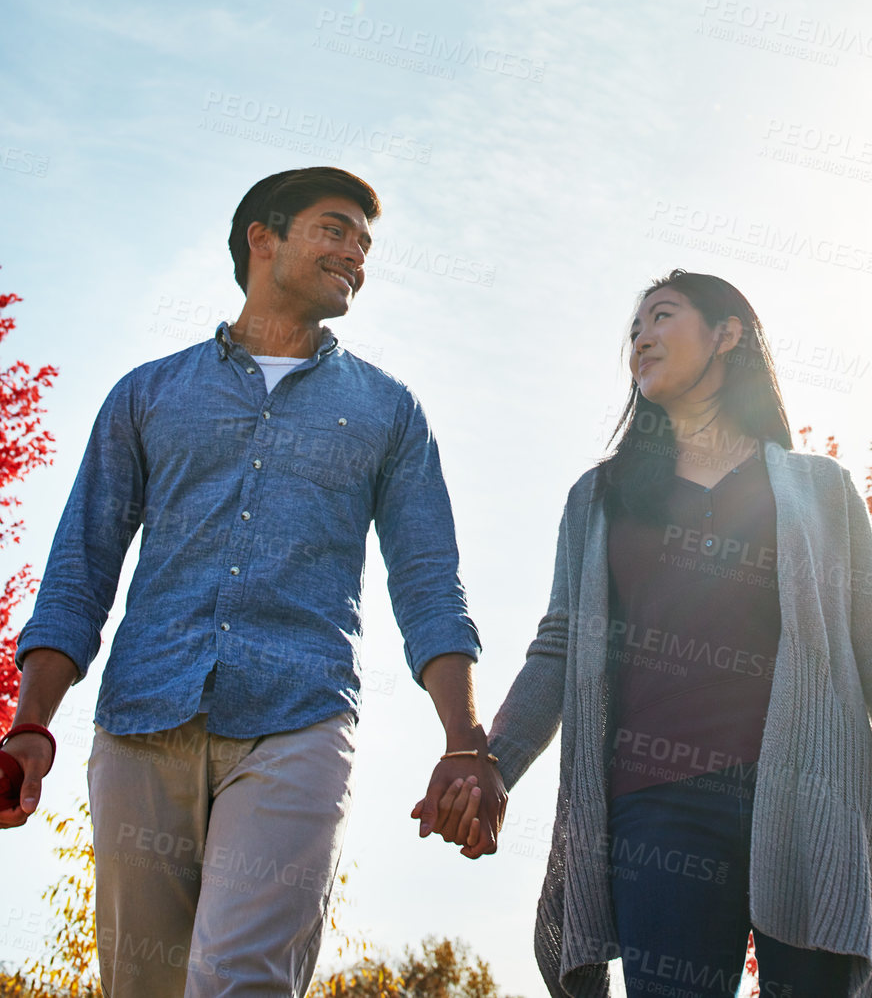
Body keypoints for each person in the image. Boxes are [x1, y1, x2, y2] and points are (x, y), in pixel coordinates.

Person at [1, 167, 505, 998]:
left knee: (239, 981)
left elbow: (429, 584)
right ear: (261, 238)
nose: (356, 254)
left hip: (298, 719)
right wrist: (31, 724)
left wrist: (464, 739)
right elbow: (80, 570)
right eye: (336, 229)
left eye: (366, 245)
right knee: (146, 987)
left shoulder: (390, 411)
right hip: (140, 720)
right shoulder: (147, 393)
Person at [441, 270, 872, 998]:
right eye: (633, 330)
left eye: (661, 317)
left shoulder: (820, 490)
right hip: (656, 807)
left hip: (808, 805)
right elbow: (558, 647)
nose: (641, 339)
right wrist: (493, 763)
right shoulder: (598, 498)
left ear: (727, 334)